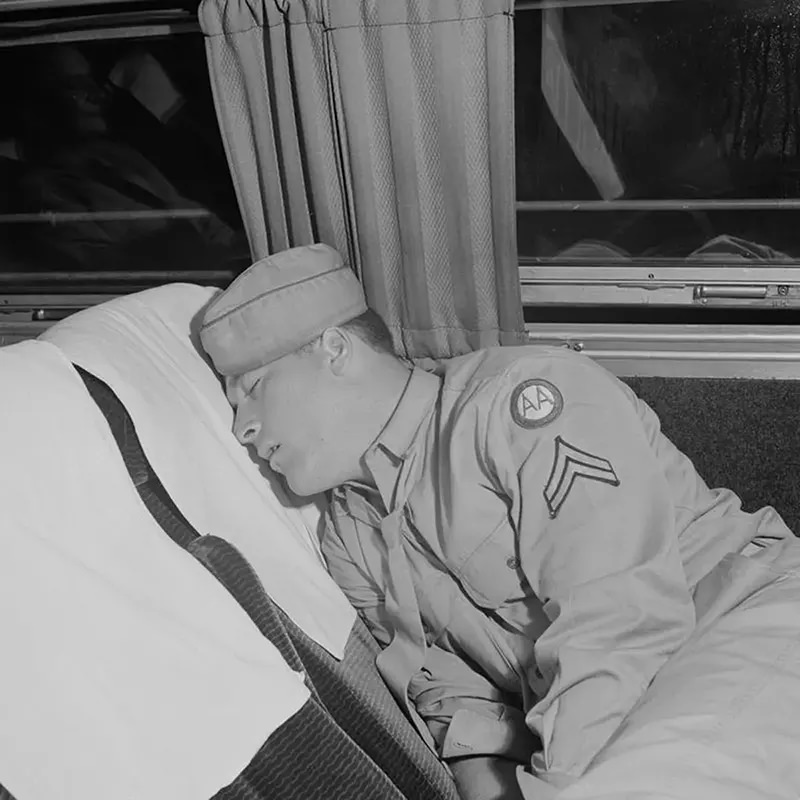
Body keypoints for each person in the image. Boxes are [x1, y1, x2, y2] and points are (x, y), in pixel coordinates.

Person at [199, 243, 800, 800]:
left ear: (335, 350)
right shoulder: (348, 537)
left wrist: (554, 781)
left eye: (253, 389)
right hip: (608, 715)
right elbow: (446, 692)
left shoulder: (523, 400)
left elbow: (618, 616)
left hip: (736, 618)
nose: (241, 427)